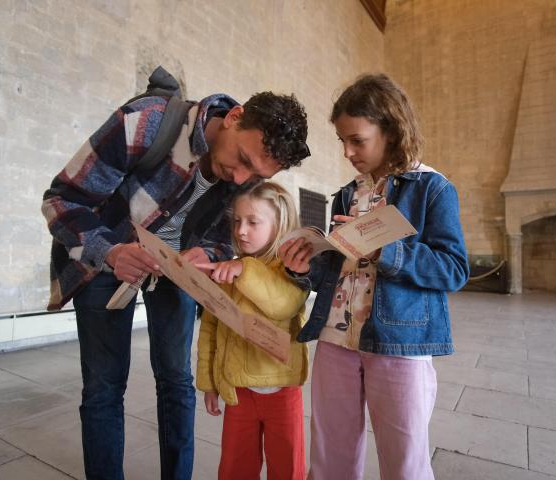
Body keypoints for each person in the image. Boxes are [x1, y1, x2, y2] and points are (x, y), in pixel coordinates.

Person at [41, 83, 310, 480]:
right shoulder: (146, 123)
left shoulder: (246, 174)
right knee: (103, 387)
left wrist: (213, 254)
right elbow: (61, 199)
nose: (239, 177)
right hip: (105, 260)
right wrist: (111, 250)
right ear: (234, 117)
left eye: (254, 173)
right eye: (241, 159)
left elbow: (224, 239)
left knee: (176, 382)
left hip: (176, 273)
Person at [279, 73, 469, 480]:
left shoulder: (433, 189)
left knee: (404, 461)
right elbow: (341, 266)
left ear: (391, 130)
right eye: (342, 141)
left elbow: (454, 269)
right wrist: (307, 262)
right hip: (335, 336)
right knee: (330, 456)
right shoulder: (347, 194)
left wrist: (388, 250)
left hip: (399, 342)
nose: (347, 152)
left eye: (357, 140)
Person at [196, 181, 309, 480]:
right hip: (238, 390)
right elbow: (209, 329)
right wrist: (209, 381)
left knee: (287, 467)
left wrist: (246, 269)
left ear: (280, 224)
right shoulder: (227, 270)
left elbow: (284, 304)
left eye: (253, 222)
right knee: (235, 466)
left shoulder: (293, 270)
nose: (241, 230)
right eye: (237, 221)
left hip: (282, 391)